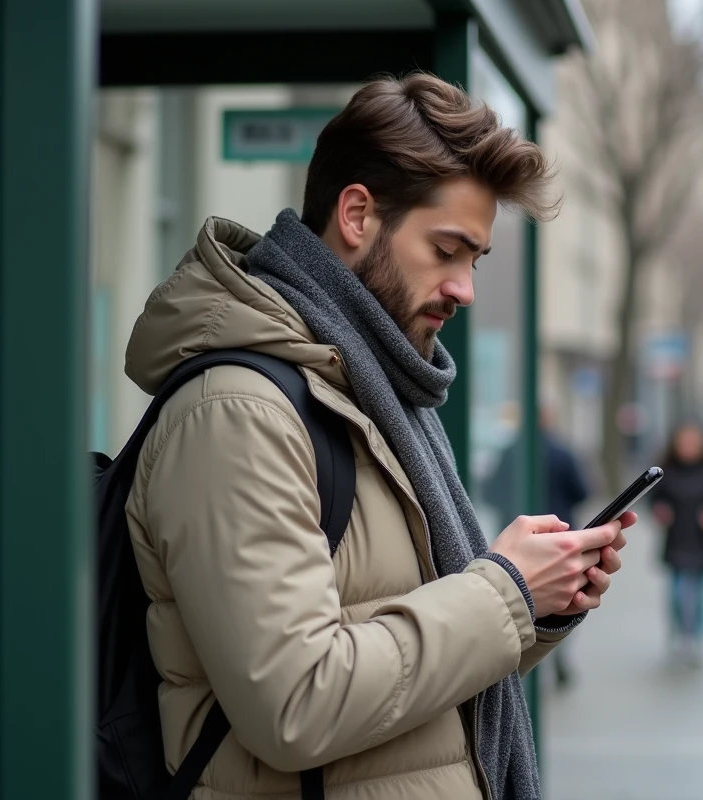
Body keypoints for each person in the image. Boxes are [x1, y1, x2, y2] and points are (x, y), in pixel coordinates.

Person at [121, 73, 635, 800]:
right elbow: (295, 705)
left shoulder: (380, 395)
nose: (465, 289)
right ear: (358, 215)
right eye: (447, 250)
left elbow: (415, 674)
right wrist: (503, 593)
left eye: (475, 260)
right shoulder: (238, 412)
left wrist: (537, 603)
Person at [485, 404, 593, 687]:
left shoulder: (509, 451)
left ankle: (520, 660)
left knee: (519, 600)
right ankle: (557, 656)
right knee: (561, 601)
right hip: (558, 538)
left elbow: (489, 491)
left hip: (517, 546)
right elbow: (581, 492)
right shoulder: (562, 452)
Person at [650, 421, 703, 667]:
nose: (688, 447)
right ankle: (680, 632)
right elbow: (653, 499)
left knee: (701, 592)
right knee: (677, 592)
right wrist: (659, 511)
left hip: (702, 541)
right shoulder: (666, 472)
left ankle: (697, 637)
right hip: (676, 540)